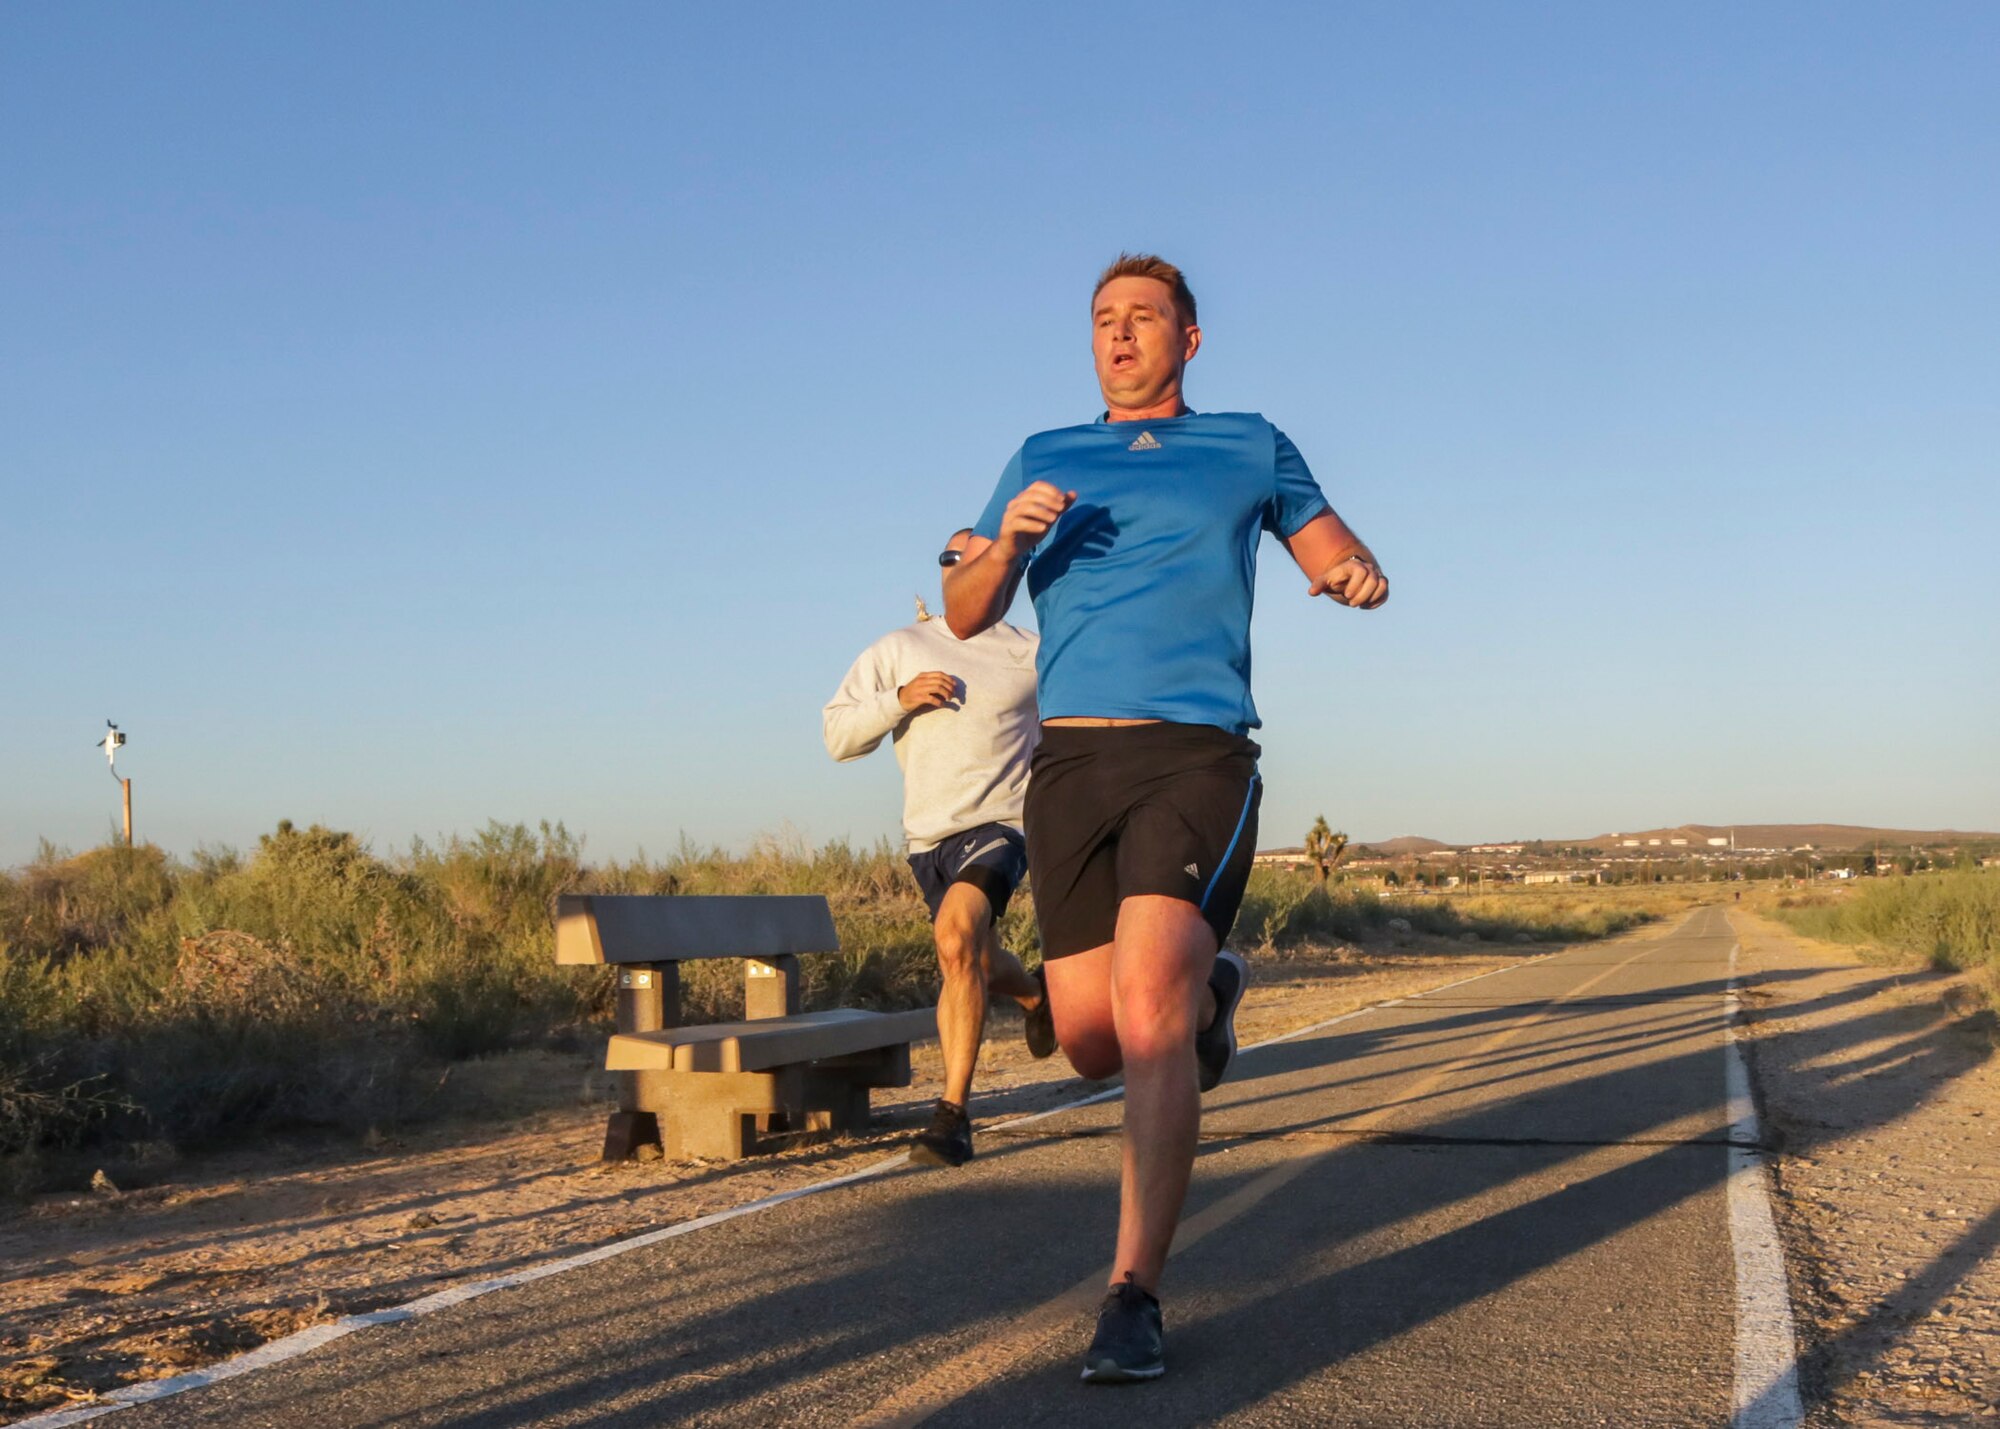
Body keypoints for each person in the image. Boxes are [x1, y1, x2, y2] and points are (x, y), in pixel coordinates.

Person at [944, 255, 1388, 1382]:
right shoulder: (1043, 457)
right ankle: (1209, 1001)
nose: (1119, 334)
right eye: (1103, 320)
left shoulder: (1246, 443)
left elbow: (1329, 545)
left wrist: (1352, 575)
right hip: (1071, 765)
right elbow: (961, 607)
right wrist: (1008, 543)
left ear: (1187, 340)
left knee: (1143, 1010)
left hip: (1195, 752)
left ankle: (1130, 1294)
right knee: (1088, 1036)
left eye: (1142, 318)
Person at [823, 529, 1055, 1167]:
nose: (959, 568)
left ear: (1002, 568)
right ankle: (1036, 995)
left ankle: (951, 1117)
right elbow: (838, 736)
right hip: (927, 837)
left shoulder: (1035, 654)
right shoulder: (900, 647)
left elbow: (1076, 730)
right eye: (949, 559)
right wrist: (897, 701)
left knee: (954, 940)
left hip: (1003, 825)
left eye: (974, 557)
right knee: (976, 961)